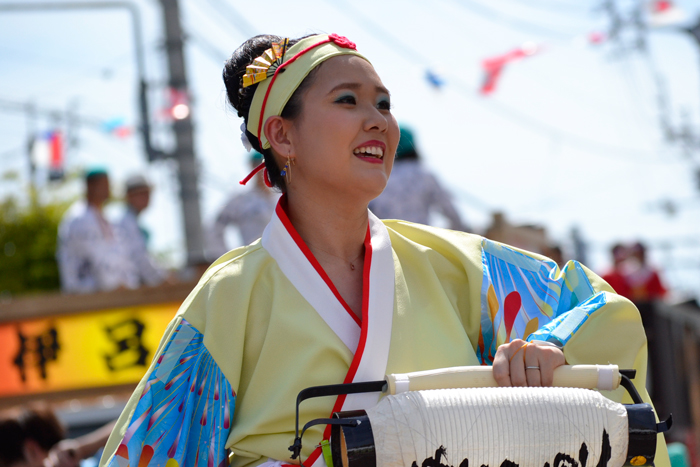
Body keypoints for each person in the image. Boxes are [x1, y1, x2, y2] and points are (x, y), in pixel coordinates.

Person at [99, 34, 668, 467]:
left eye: (384, 103)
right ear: (282, 135)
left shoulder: (453, 264)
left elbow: (598, 307)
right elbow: (155, 449)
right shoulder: (231, 296)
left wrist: (549, 347)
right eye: (348, 100)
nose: (379, 121)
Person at [369, 125, 468, 231]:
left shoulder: (379, 176)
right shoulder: (425, 175)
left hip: (384, 241)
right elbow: (450, 210)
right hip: (418, 243)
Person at [57, 168, 138, 293]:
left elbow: (120, 257)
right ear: (90, 186)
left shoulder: (104, 217)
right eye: (103, 184)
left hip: (108, 294)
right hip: (85, 296)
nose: (108, 189)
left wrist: (129, 284)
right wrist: (115, 285)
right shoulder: (79, 218)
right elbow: (97, 260)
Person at [207, 151, 279, 259]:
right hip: (253, 261)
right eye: (257, 165)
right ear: (251, 167)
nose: (261, 169)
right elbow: (214, 227)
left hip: (283, 261)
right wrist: (227, 258)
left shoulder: (283, 197)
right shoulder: (241, 201)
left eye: (265, 164)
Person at [116, 174, 167, 287]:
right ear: (129, 196)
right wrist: (163, 279)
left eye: (147, 193)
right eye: (141, 194)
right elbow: (141, 260)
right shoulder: (126, 224)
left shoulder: (133, 223)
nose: (146, 197)